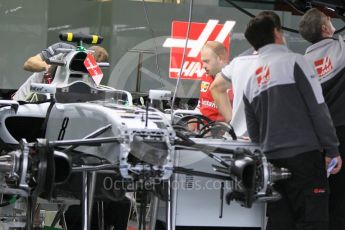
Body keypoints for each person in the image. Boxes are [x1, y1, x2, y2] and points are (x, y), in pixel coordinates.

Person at [242, 11, 341, 230]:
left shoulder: (251, 80)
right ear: (277, 33)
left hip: (272, 163)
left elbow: (255, 133)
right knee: (312, 221)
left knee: (279, 222)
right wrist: (332, 150)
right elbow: (318, 109)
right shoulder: (296, 62)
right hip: (305, 159)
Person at [299, 8, 345, 230]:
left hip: (314, 139)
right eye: (329, 19)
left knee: (320, 195)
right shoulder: (341, 49)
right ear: (326, 28)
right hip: (341, 133)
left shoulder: (301, 63)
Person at [12, 43, 109, 101]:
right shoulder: (62, 51)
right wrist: (47, 67)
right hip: (23, 103)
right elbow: (28, 64)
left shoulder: (94, 73)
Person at [196, 41, 233, 122]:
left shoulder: (234, 80)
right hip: (203, 130)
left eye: (206, 61)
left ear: (220, 59)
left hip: (224, 131)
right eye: (203, 62)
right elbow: (201, 106)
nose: (203, 66)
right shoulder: (206, 77)